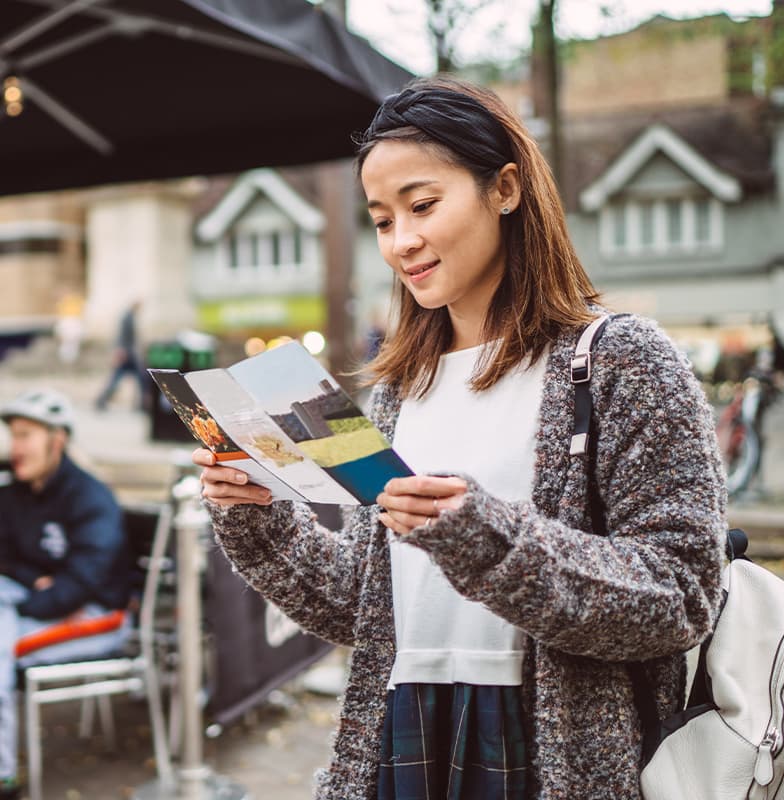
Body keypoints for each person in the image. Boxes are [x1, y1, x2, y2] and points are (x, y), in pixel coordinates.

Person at [194, 77, 727, 800]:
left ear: (504, 189)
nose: (401, 241)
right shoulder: (394, 393)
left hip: (554, 747)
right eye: (381, 220)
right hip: (401, 733)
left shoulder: (621, 362)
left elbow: (681, 595)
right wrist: (257, 515)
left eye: (422, 206)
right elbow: (360, 603)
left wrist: (486, 537)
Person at [0, 389, 130, 800]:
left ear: (57, 440)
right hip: (36, 601)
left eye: (25, 436)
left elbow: (79, 585)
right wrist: (31, 583)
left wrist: (23, 599)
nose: (14, 446)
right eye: (13, 436)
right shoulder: (15, 491)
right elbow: (4, 557)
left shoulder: (91, 498)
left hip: (96, 615)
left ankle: (4, 777)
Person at [95, 300, 147, 410]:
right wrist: (120, 351)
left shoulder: (129, 316)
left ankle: (141, 403)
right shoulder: (127, 318)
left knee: (133, 378)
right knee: (122, 378)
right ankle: (102, 400)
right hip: (127, 354)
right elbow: (123, 336)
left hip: (129, 354)